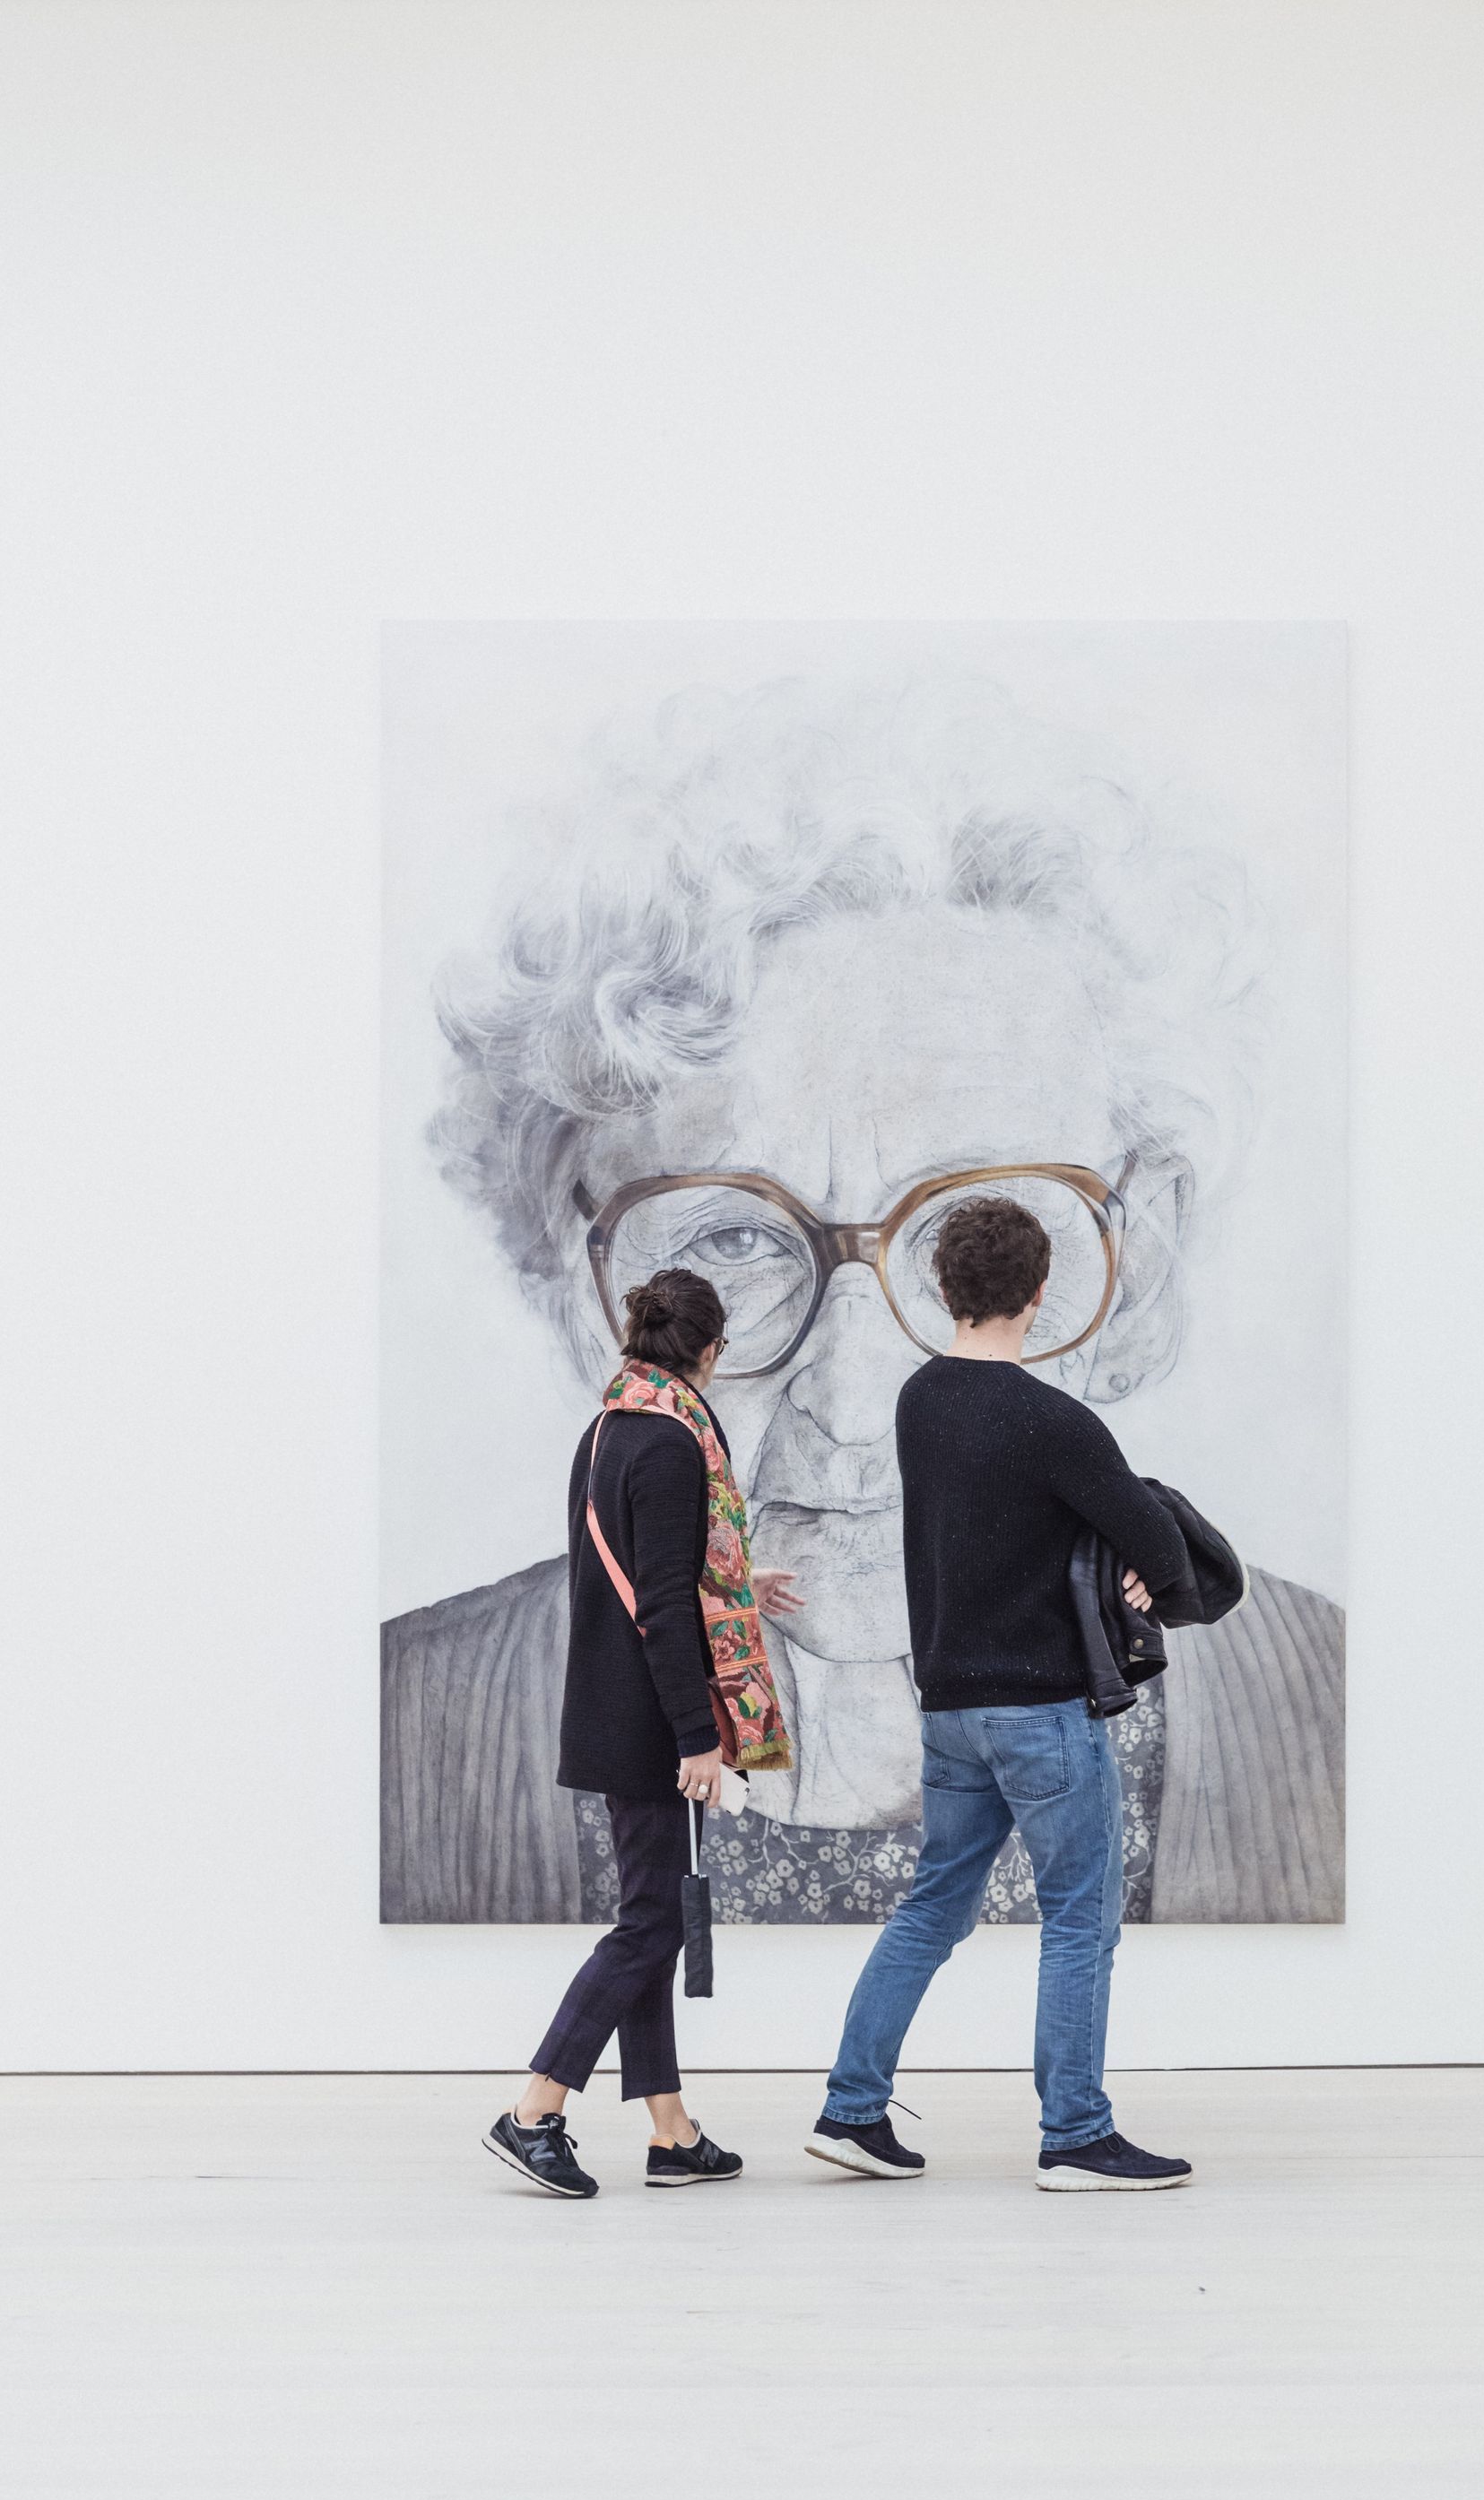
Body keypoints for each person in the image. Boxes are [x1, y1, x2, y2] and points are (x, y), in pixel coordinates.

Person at [383, 673, 1342, 1926]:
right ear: (587, 1282)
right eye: (733, 1234)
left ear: (1136, 1261)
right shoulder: (400, 1726)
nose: (853, 1399)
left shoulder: (1337, 1704)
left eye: (971, 1231)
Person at [808, 1195, 1196, 2192]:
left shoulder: (917, 1402)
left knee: (934, 1904)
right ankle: (1075, 2134)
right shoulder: (1055, 1422)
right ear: (1037, 1294)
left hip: (949, 1710)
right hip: (1042, 1713)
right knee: (1078, 1919)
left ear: (943, 1288)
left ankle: (851, 2109)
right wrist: (1147, 1574)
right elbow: (1159, 1544)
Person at [483, 1267, 802, 2199]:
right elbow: (658, 1600)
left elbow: (653, 1568)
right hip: (650, 1721)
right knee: (651, 1921)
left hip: (617, 1704)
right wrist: (699, 1737)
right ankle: (535, 2109)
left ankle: (671, 2130)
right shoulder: (672, 1441)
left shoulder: (611, 1426)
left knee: (652, 1915)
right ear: (710, 1349)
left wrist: (741, 1584)